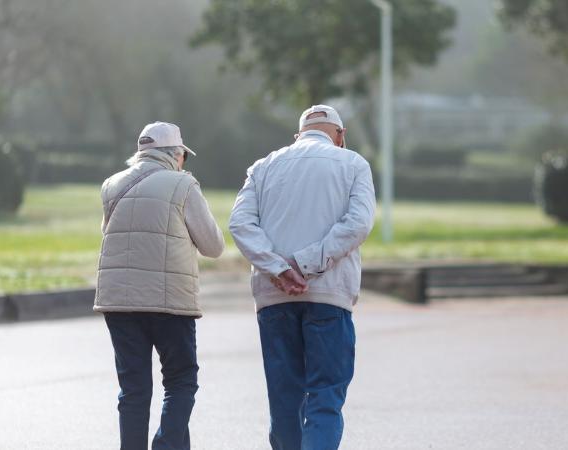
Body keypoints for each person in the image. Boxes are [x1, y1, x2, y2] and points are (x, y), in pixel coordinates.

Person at [229, 105, 376, 450]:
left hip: (273, 296)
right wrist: (305, 263)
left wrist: (279, 268)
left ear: (297, 136)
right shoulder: (353, 163)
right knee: (325, 395)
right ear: (340, 136)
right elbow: (358, 224)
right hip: (329, 293)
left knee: (284, 398)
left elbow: (240, 224)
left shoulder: (263, 167)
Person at [94, 121, 225, 450]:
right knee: (181, 380)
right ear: (175, 154)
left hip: (119, 302)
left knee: (133, 389)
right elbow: (214, 246)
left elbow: (110, 234)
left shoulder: (111, 185)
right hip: (170, 303)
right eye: (184, 155)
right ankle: (165, 446)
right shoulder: (184, 185)